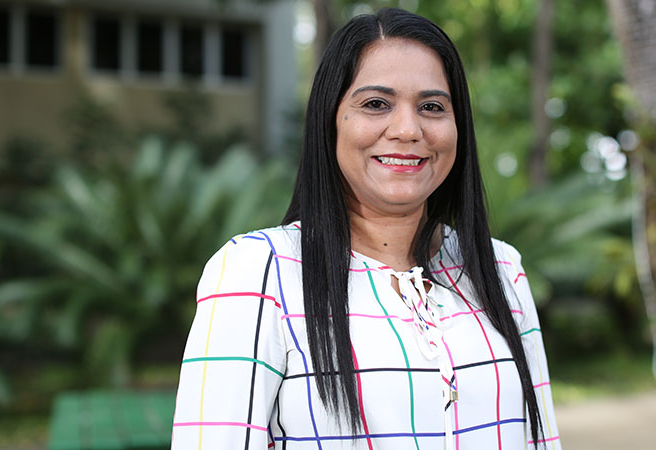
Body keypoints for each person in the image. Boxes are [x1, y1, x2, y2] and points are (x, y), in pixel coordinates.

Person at [172, 8, 560, 450]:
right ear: (330, 120)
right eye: (376, 104)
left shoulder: (500, 269)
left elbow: (540, 439)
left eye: (432, 107)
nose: (408, 129)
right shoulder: (259, 273)